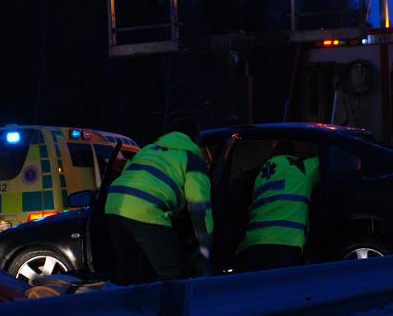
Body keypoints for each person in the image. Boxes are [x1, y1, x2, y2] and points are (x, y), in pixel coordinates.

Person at [105, 118, 213, 282]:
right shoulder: (192, 160)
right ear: (196, 139)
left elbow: (129, 174)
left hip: (114, 206)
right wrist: (205, 243)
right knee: (171, 272)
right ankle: (170, 307)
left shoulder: (147, 149)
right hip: (145, 210)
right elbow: (199, 206)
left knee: (130, 270)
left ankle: (127, 304)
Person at [236, 141, 320, 271]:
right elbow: (329, 160)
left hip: (252, 245)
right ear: (294, 153)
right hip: (284, 244)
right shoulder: (301, 167)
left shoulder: (261, 175)